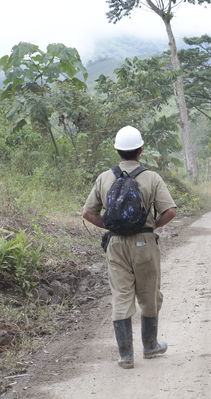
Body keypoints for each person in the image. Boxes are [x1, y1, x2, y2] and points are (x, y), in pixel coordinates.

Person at [82, 126, 177, 369]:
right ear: (141, 150)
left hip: (115, 245)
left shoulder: (104, 177)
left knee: (121, 296)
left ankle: (125, 356)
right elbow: (171, 210)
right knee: (149, 295)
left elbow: (88, 213)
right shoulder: (151, 177)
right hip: (144, 243)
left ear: (117, 150)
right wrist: (151, 226)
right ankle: (150, 346)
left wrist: (112, 228)